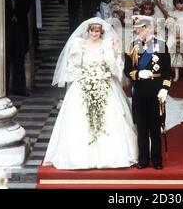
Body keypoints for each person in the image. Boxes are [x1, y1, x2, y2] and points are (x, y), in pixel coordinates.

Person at [43, 18, 138, 169]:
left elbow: (113, 66)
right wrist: (85, 75)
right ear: (88, 31)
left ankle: (111, 155)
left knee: (112, 115)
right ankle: (79, 156)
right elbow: (73, 66)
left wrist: (114, 52)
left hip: (104, 82)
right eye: (92, 31)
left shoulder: (107, 44)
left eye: (98, 31)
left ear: (101, 32)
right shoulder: (79, 44)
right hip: (83, 82)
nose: (95, 33)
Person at [124, 15, 172, 169]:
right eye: (136, 29)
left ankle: (157, 160)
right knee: (142, 127)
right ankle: (143, 159)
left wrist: (165, 88)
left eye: (140, 28)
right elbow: (127, 69)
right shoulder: (132, 46)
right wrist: (137, 74)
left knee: (155, 127)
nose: (137, 31)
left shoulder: (162, 46)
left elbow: (167, 71)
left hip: (156, 91)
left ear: (148, 28)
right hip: (139, 91)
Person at [5, 0, 33, 97]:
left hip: (20, 28)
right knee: (5, 59)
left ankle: (19, 88)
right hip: (5, 29)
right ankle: (3, 89)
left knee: (19, 59)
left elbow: (28, 5)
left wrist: (18, 14)